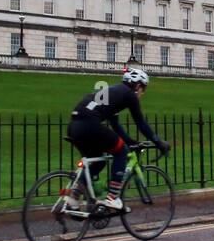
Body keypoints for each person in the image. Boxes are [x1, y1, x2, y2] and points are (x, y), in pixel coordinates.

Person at [65, 67, 170, 211]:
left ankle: (74, 197)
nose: (142, 92)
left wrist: (131, 141)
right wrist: (159, 142)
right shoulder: (129, 95)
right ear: (138, 85)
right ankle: (113, 198)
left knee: (98, 161)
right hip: (90, 125)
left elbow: (116, 126)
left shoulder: (112, 92)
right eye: (143, 88)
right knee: (121, 152)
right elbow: (141, 123)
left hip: (74, 127)